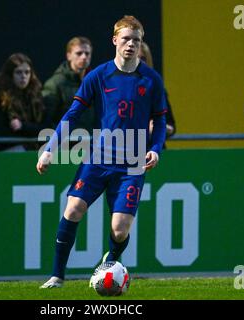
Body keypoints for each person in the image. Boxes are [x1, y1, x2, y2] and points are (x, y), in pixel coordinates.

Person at [37, 15, 168, 288]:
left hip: (132, 162)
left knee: (120, 230)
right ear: (115, 41)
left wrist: (155, 149)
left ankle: (111, 261)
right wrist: (50, 149)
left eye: (137, 40)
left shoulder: (152, 80)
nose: (131, 44)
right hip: (98, 157)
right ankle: (57, 276)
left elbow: (161, 120)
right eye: (126, 39)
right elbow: (72, 115)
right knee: (73, 209)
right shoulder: (98, 75)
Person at [0, 53, 51, 151]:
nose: (23, 76)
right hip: (7, 151)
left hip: (34, 149)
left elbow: (47, 128)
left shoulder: (37, 97)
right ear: (10, 74)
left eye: (27, 72)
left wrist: (23, 126)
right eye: (18, 72)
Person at [42, 36, 95, 133]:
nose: (84, 57)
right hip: (66, 144)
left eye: (87, 53)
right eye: (79, 53)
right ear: (69, 55)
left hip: (93, 141)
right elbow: (47, 120)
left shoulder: (96, 82)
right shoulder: (55, 83)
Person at [139, 41, 176, 139]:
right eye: (134, 58)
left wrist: (162, 127)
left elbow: (171, 127)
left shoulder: (158, 90)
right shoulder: (117, 89)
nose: (138, 62)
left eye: (143, 58)